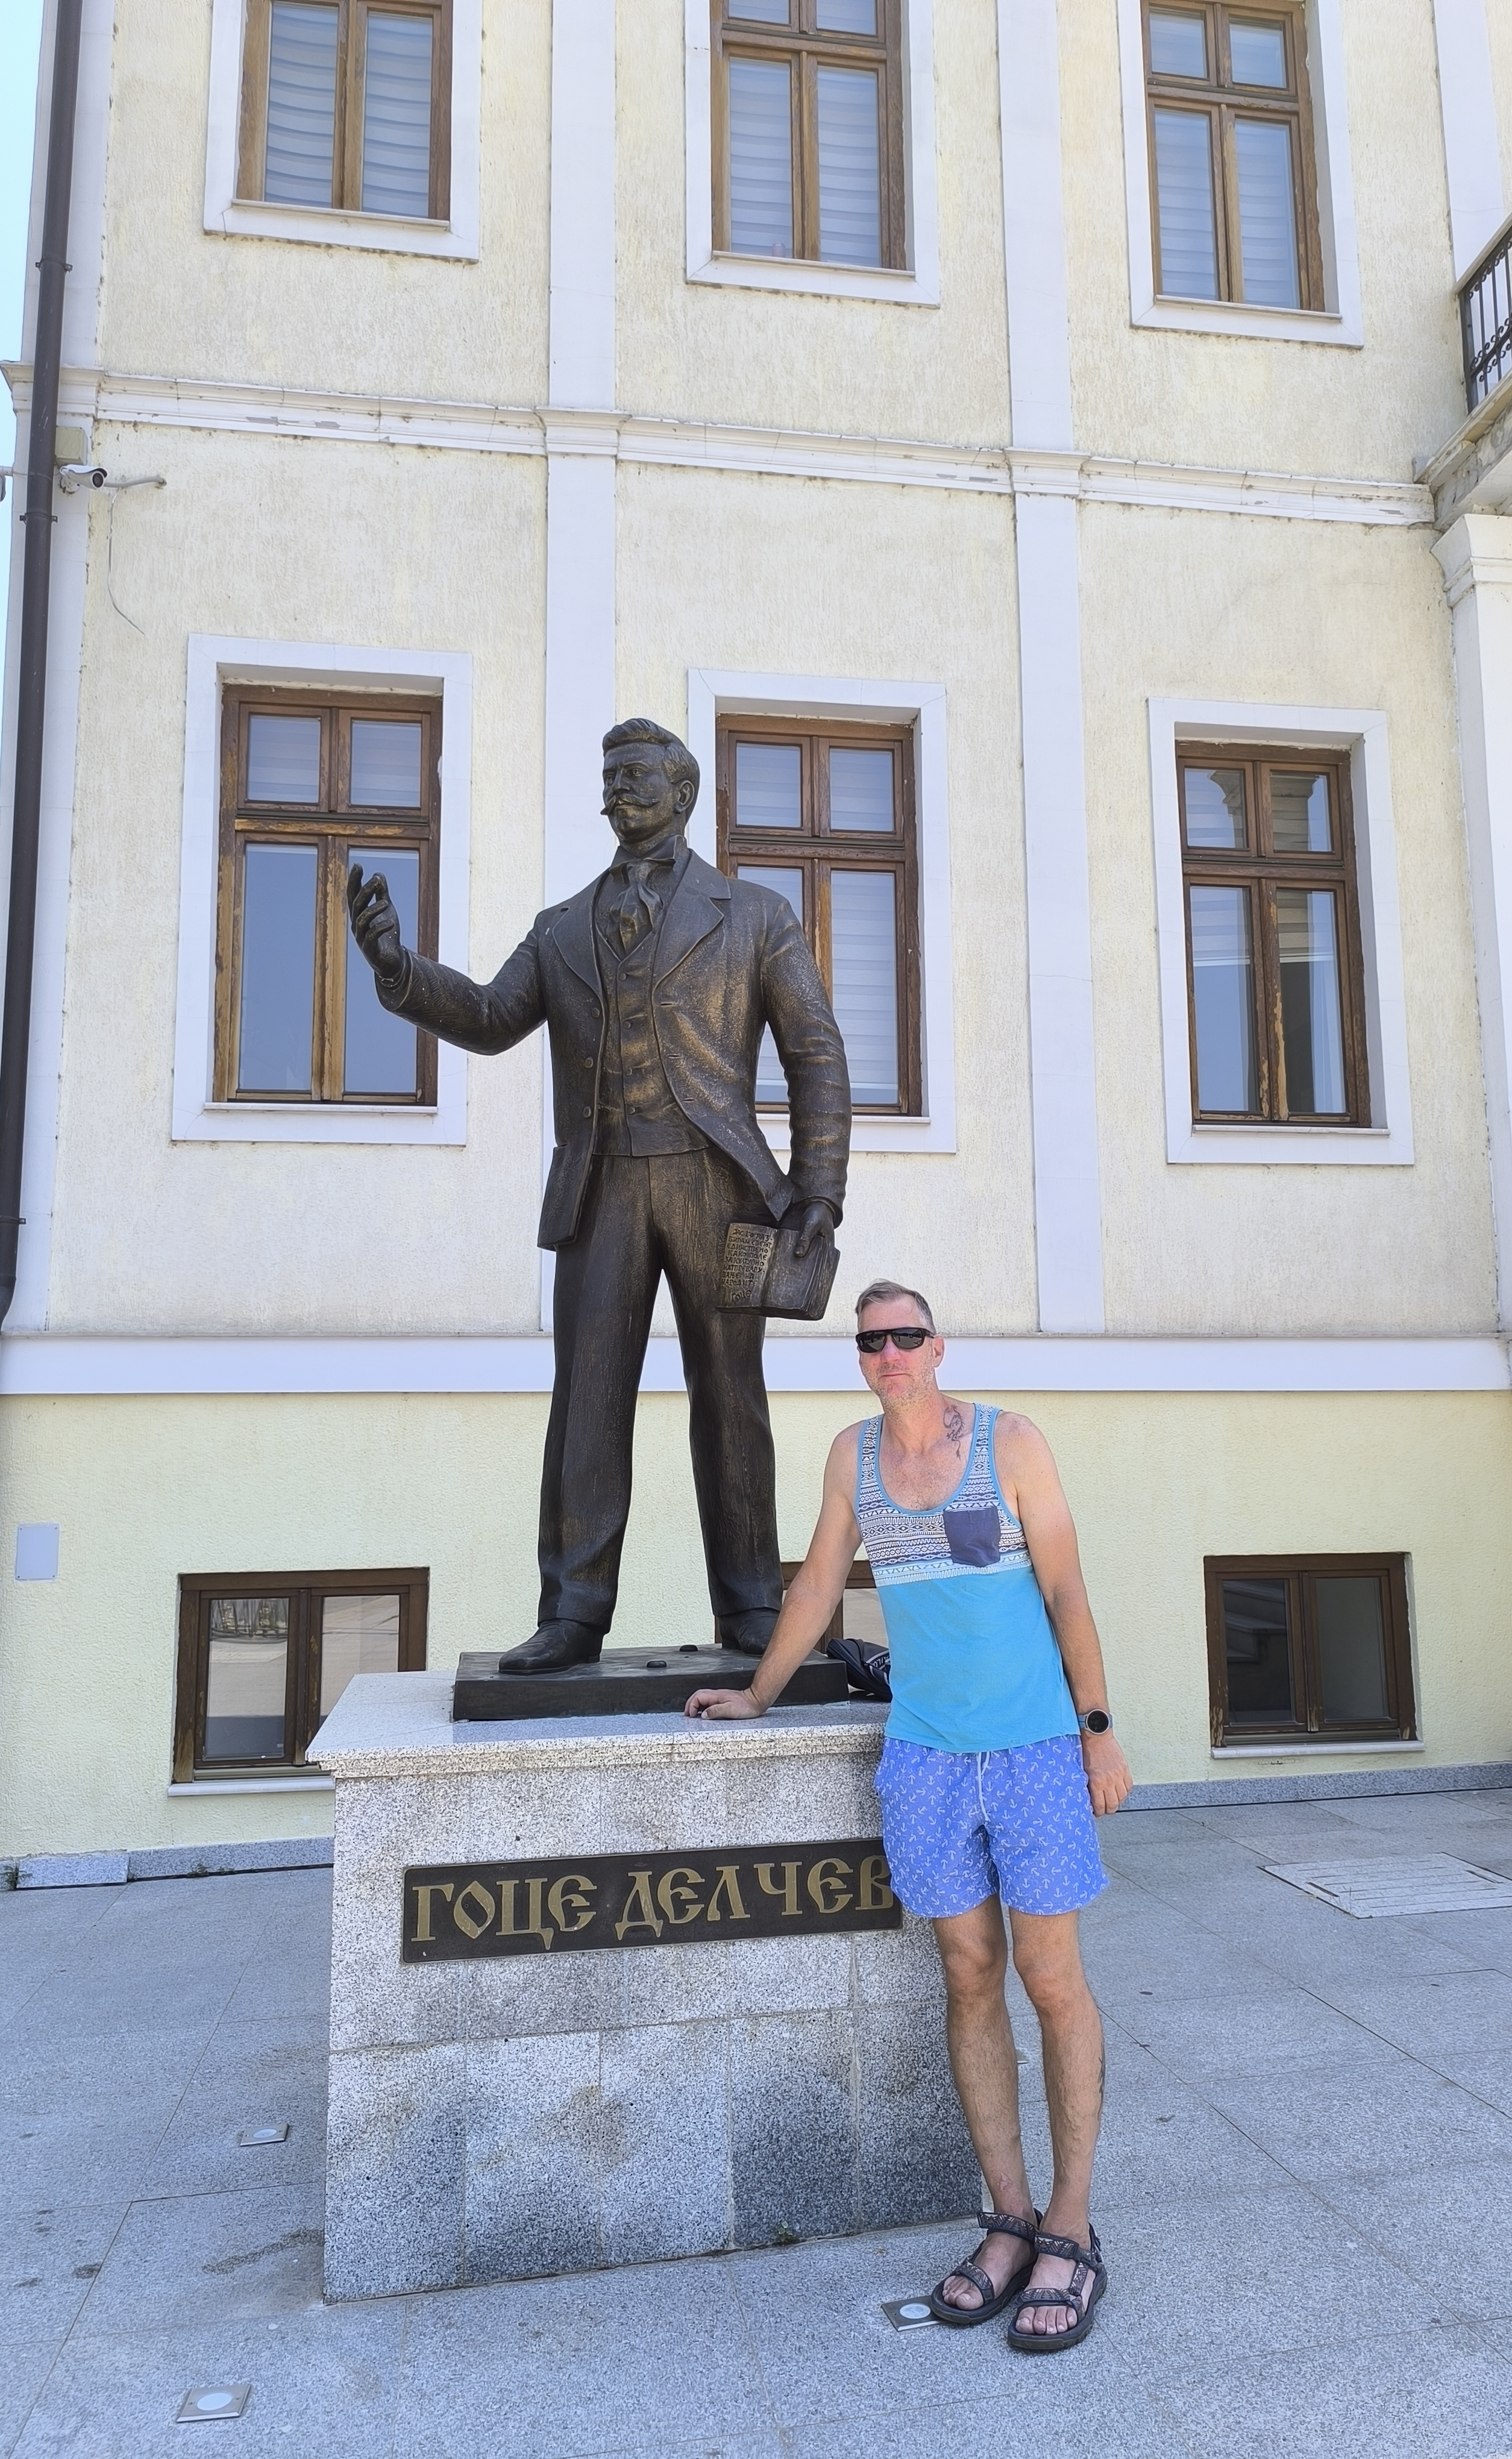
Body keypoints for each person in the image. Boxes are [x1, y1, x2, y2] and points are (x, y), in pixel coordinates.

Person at [686, 1278, 1133, 2352]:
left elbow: (1067, 1592)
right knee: (970, 1976)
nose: (889, 1353)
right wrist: (757, 1694)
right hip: (927, 1758)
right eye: (872, 1341)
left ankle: (1072, 2229)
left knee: (1052, 1980)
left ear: (939, 1348)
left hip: (1033, 1751)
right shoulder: (853, 1458)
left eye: (906, 1336)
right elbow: (816, 1585)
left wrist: (1099, 1728)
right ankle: (1010, 2222)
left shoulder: (1012, 1443)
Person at [348, 718, 849, 1669]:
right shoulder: (562, 927)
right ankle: (573, 1610)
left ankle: (751, 1603)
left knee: (731, 1396)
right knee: (587, 1399)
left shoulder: (755, 915)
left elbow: (816, 1054)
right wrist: (398, 971)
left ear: (683, 793)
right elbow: (491, 1016)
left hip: (719, 1185)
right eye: (610, 775)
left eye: (637, 775)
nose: (619, 789)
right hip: (601, 1184)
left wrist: (818, 1191)